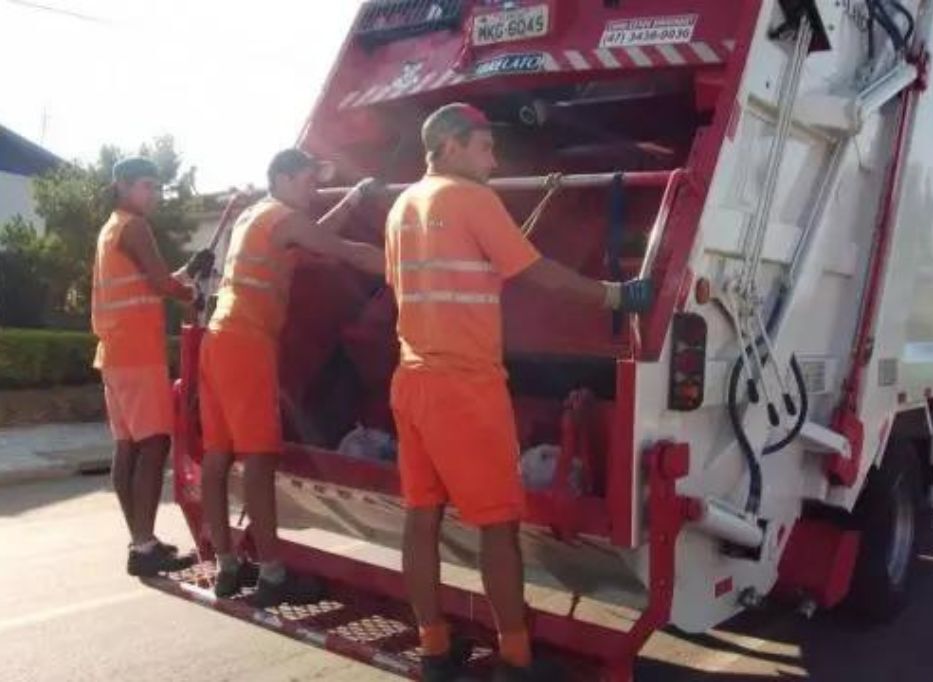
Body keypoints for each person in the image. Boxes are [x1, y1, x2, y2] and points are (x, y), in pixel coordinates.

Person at [386, 103, 652, 682]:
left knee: (421, 520)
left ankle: (434, 648)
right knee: (498, 527)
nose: (494, 157)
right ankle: (516, 659)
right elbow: (538, 273)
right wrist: (613, 296)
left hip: (412, 382)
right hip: (466, 387)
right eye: (485, 146)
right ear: (452, 145)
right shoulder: (472, 199)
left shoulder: (403, 204)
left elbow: (444, 274)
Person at [200, 148, 384, 607]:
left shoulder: (257, 217)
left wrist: (357, 199)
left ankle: (226, 566)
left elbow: (318, 236)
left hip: (218, 339)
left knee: (218, 455)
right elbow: (344, 251)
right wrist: (414, 267)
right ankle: (273, 575)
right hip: (247, 344)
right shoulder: (283, 216)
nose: (315, 188)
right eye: (308, 179)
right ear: (282, 177)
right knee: (259, 460)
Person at [92, 157, 200, 577]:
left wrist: (184, 275)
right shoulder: (135, 226)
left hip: (115, 353)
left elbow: (148, 282)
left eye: (157, 187)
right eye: (146, 186)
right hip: (138, 355)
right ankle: (144, 545)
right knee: (154, 444)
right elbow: (160, 285)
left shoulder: (111, 227)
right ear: (122, 185)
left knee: (128, 447)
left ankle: (141, 541)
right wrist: (191, 292)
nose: (153, 194)